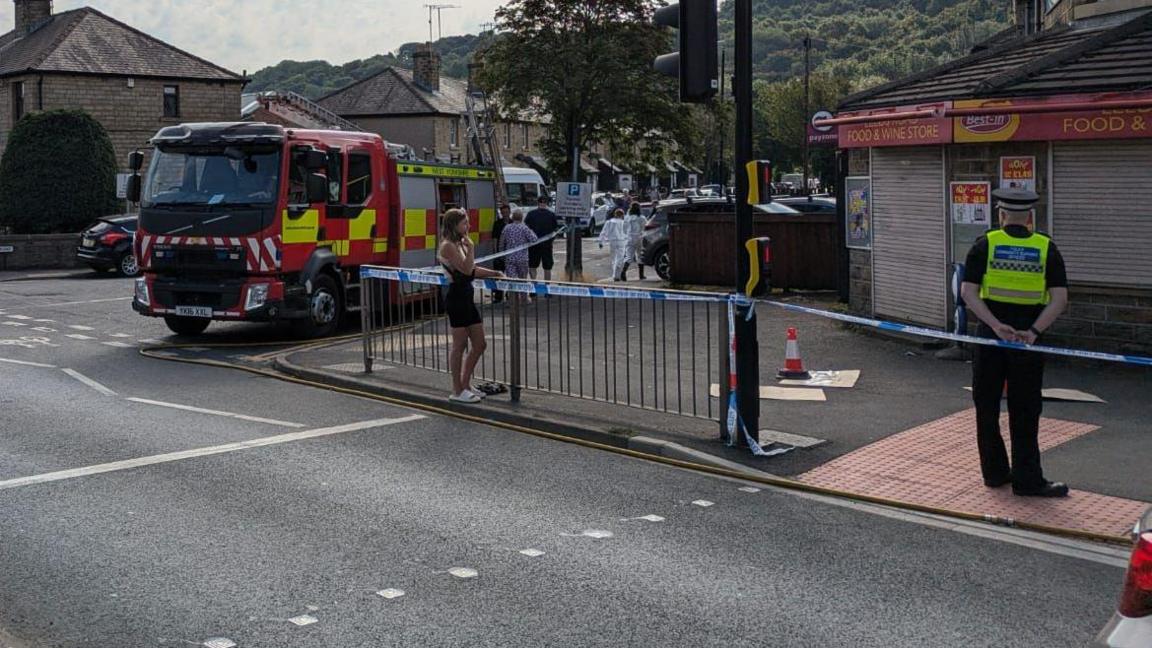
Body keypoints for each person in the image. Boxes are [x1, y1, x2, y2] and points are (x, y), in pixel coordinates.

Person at [959, 188, 1070, 498]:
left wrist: (995, 326)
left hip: (991, 338)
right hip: (1028, 342)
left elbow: (968, 292)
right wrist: (1033, 331)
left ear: (1001, 214)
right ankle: (1027, 479)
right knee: (1025, 407)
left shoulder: (985, 245)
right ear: (1030, 217)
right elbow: (1059, 299)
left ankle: (994, 473)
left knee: (987, 404)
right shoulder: (1046, 247)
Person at [437, 208, 503, 404]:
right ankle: (457, 390)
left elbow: (472, 269)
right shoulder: (448, 246)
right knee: (459, 345)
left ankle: (465, 384)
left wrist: (494, 273)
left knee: (480, 343)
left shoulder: (460, 244)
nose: (468, 226)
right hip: (456, 296)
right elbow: (466, 269)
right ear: (454, 225)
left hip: (466, 295)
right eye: (465, 223)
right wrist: (472, 248)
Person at [499, 208, 538, 300]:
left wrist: (501, 254)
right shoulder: (524, 228)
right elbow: (534, 239)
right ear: (522, 218)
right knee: (523, 280)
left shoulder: (507, 228)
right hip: (522, 259)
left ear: (512, 217)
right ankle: (524, 299)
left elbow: (501, 242)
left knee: (512, 281)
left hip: (510, 259)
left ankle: (513, 300)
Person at [525, 195, 560, 281]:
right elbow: (556, 231)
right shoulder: (551, 215)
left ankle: (534, 286)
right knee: (547, 268)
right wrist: (551, 240)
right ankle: (546, 288)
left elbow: (526, 228)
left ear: (538, 203)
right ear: (546, 203)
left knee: (532, 266)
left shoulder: (531, 214)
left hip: (533, 245)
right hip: (547, 246)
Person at [598, 208, 629, 282]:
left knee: (613, 258)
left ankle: (615, 275)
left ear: (615, 214)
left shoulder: (609, 222)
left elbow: (604, 232)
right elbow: (628, 233)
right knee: (620, 258)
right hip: (622, 241)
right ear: (622, 215)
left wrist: (601, 242)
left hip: (612, 241)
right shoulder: (624, 223)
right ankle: (616, 275)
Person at [491, 204, 512, 303]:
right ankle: (498, 296)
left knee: (510, 275)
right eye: (503, 213)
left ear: (510, 212)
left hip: (511, 254)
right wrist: (496, 253)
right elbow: (495, 238)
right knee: (498, 275)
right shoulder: (497, 224)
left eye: (507, 212)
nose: (505, 214)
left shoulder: (513, 223)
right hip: (500, 253)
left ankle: (509, 294)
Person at [621, 202, 647, 280]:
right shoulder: (641, 218)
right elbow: (644, 227)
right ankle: (641, 275)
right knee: (640, 256)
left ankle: (623, 272)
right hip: (639, 237)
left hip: (629, 238)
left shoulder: (627, 217)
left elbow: (624, 229)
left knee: (629, 256)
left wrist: (627, 235)